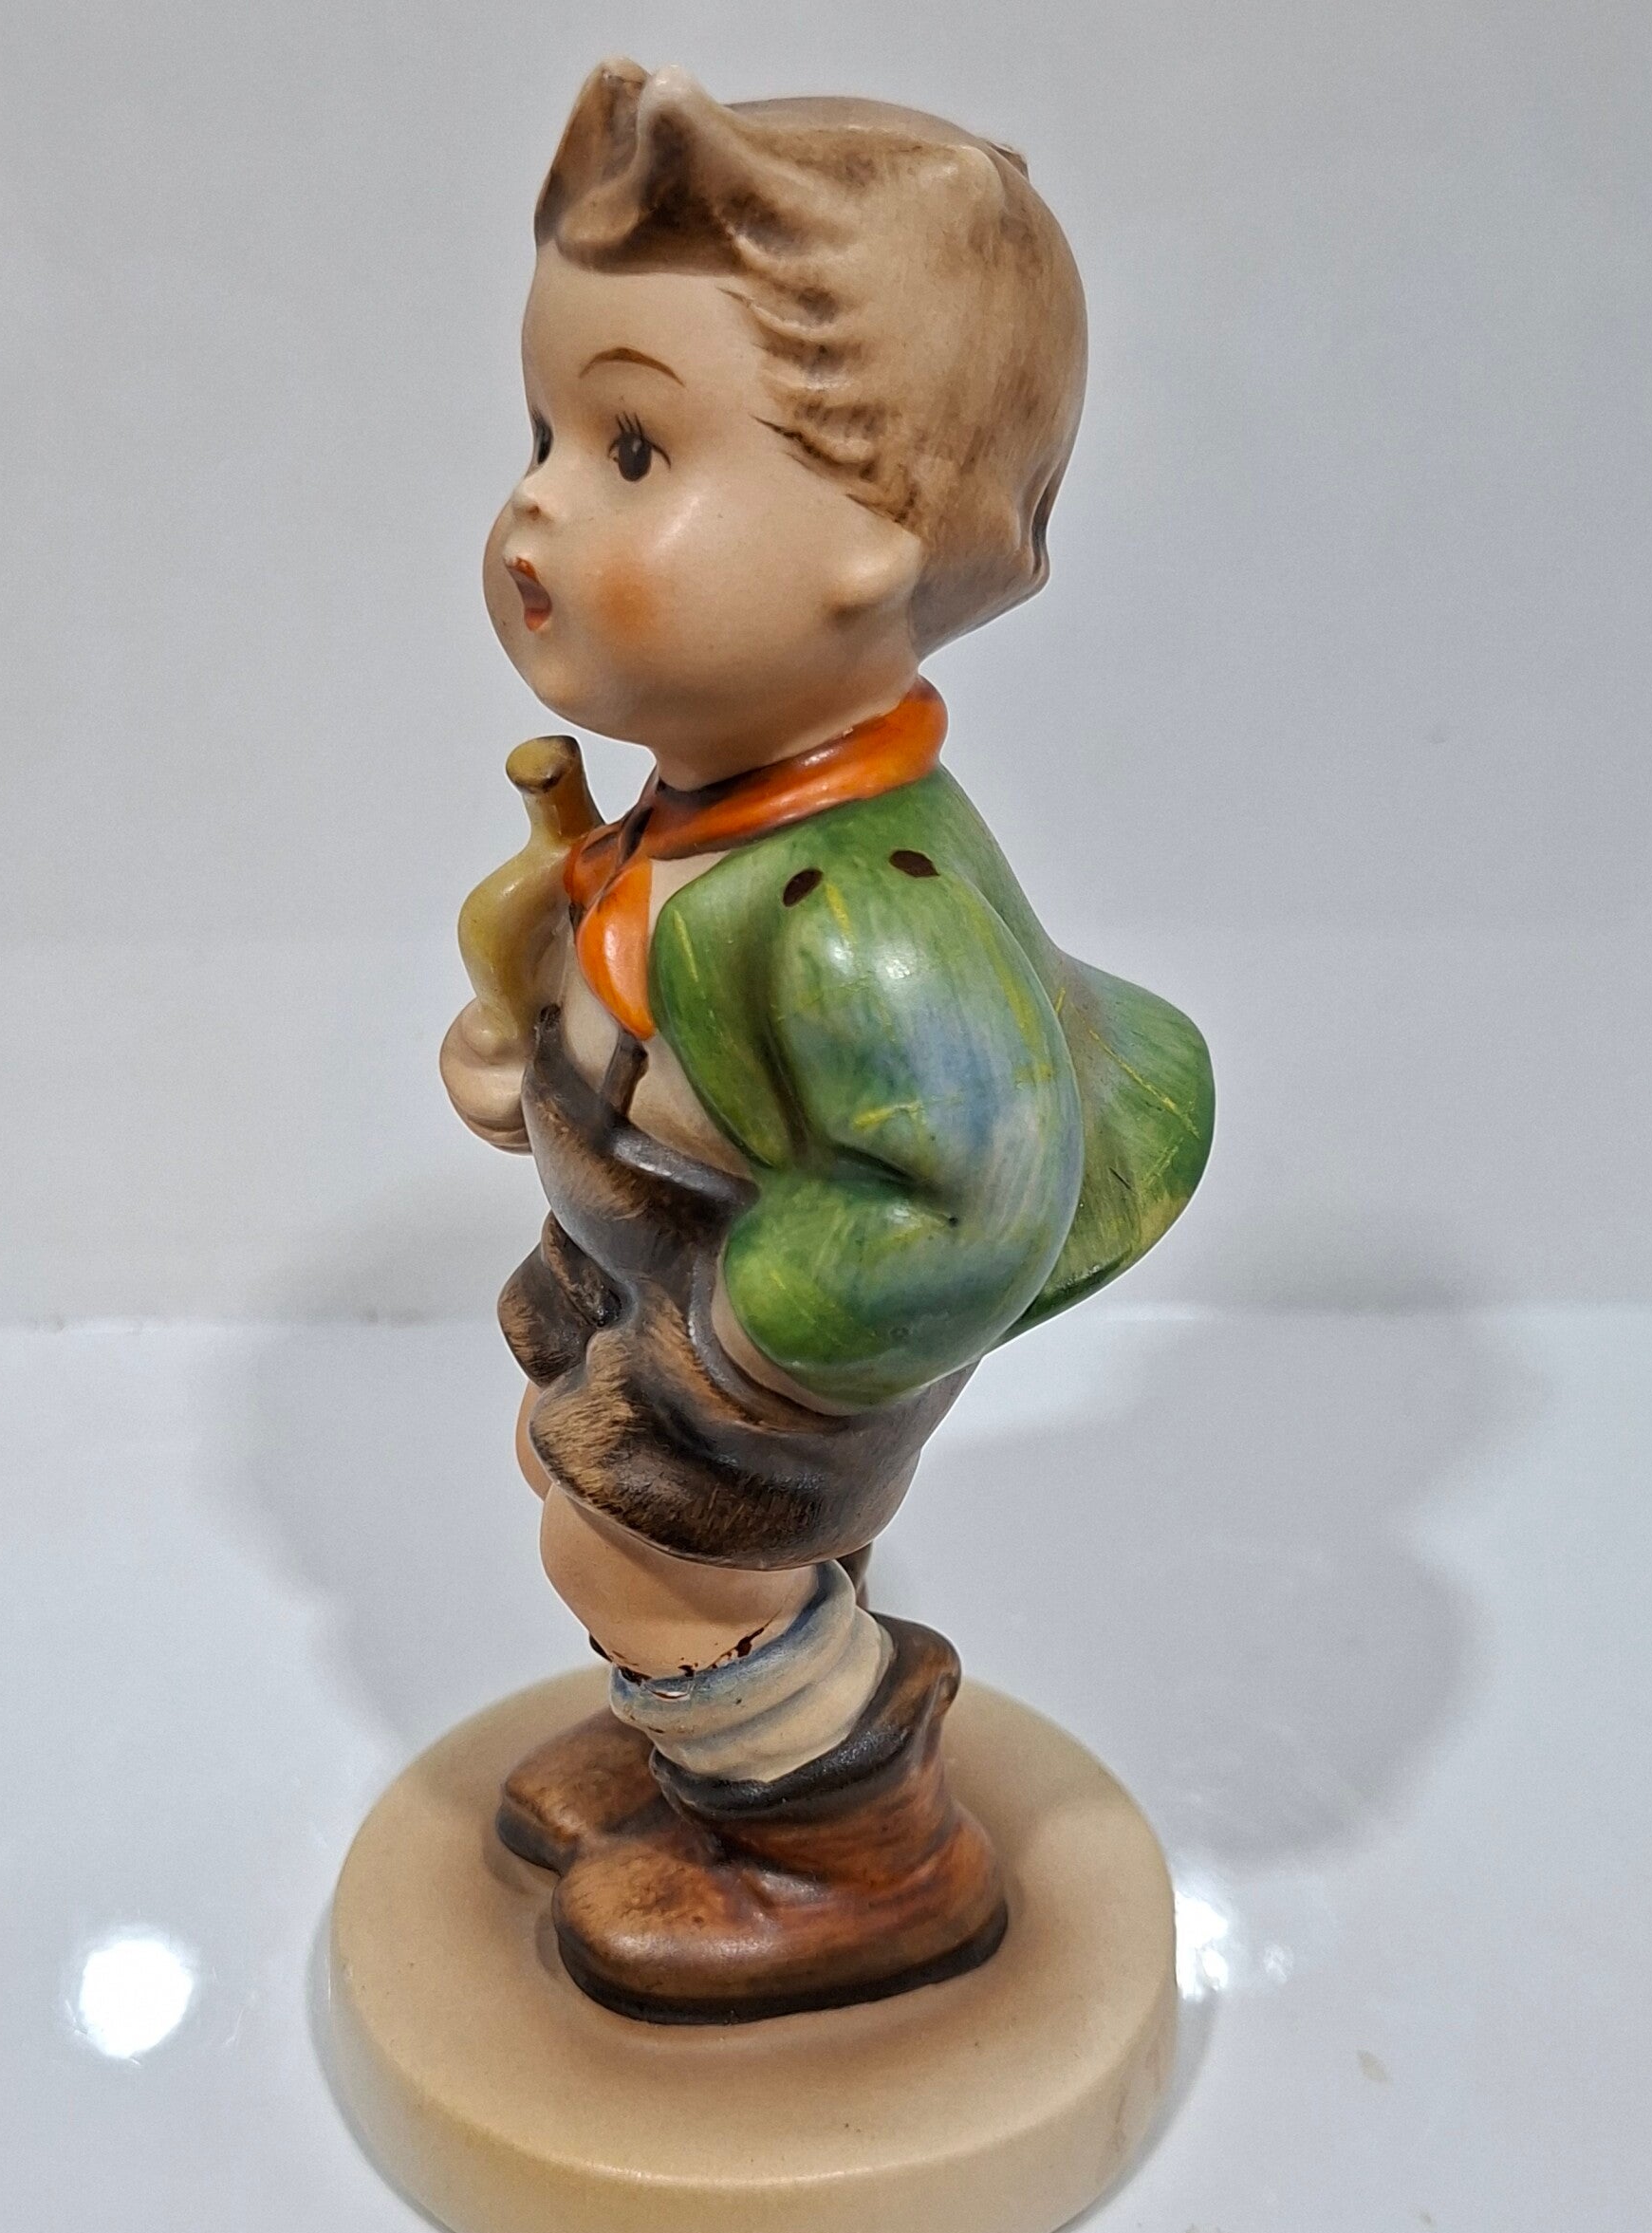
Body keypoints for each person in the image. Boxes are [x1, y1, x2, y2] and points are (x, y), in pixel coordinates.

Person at [440, 60, 1213, 2023]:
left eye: (634, 451)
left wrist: (727, 1366)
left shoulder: (867, 925)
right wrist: (530, 1065)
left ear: (876, 538)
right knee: (636, 1544)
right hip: (659, 1271)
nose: (536, 500)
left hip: (766, 1341)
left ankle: (854, 1846)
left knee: (631, 1556)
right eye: (546, 428)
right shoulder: (700, 819)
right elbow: (642, 1013)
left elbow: (961, 1197)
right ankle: (714, 1729)